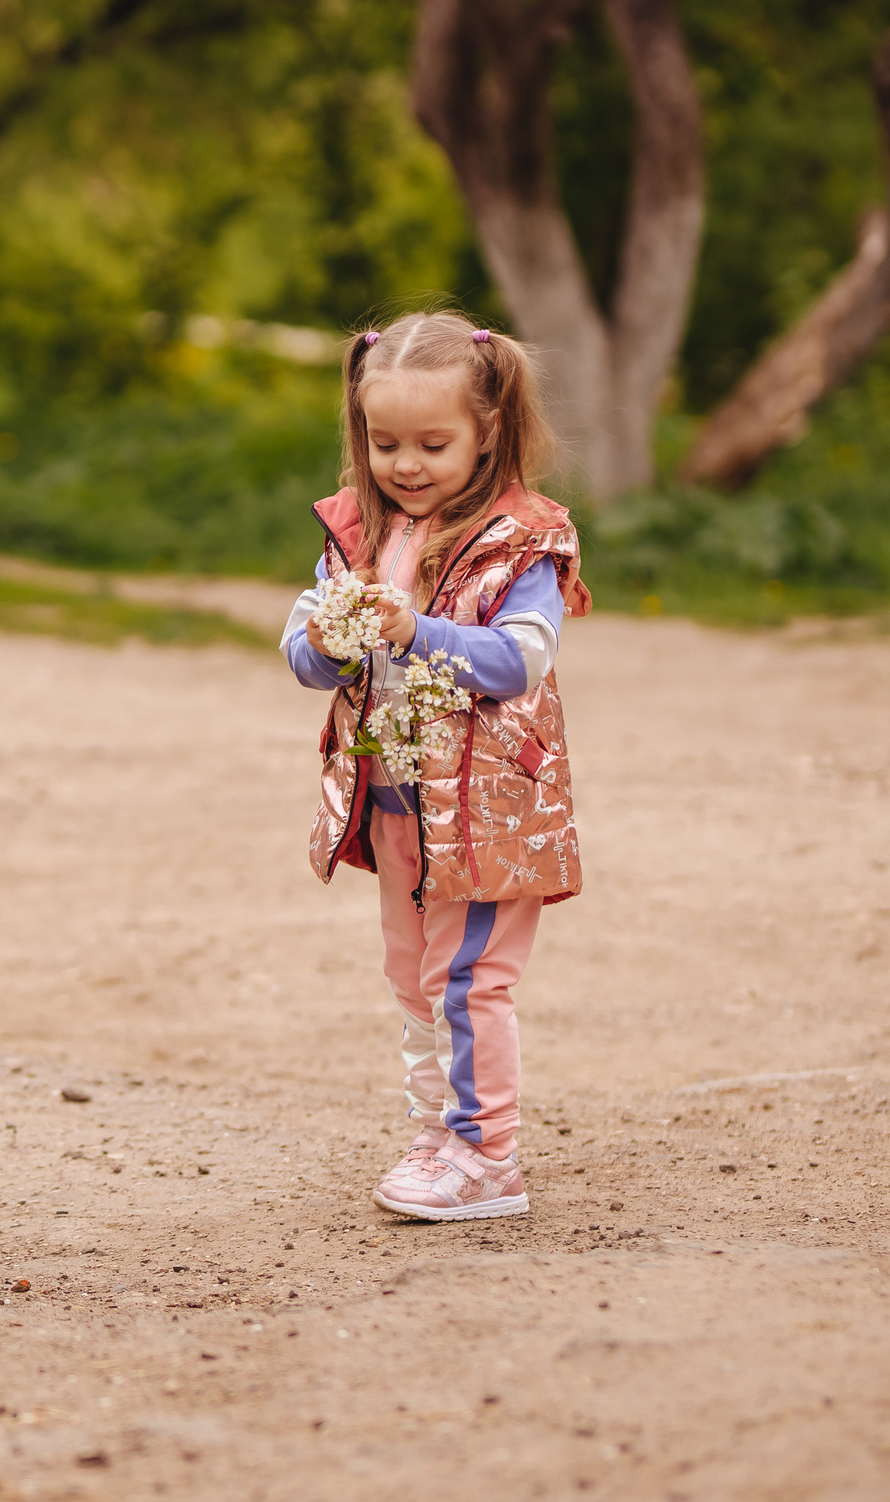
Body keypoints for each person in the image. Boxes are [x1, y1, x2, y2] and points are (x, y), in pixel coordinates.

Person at [280, 310, 591, 1221]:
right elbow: (304, 642)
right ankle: (437, 1132)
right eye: (385, 444)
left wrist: (418, 632)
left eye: (432, 443)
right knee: (413, 973)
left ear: (487, 429)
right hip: (396, 798)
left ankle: (488, 1153)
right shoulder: (363, 533)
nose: (405, 464)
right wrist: (329, 643)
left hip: (490, 806)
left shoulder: (522, 541)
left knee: (469, 980)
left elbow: (520, 659)